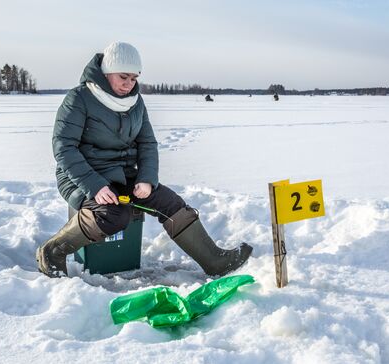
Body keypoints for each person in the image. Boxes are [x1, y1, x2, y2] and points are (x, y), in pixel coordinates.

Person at [36, 41, 252, 278]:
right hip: (82, 177)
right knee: (115, 214)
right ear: (106, 72)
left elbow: (147, 143)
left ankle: (214, 261)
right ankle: (52, 252)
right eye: (123, 77)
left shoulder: (136, 102)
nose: (129, 84)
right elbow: (64, 148)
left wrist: (147, 178)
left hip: (124, 174)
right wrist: (95, 186)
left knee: (171, 203)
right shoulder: (79, 98)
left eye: (134, 78)